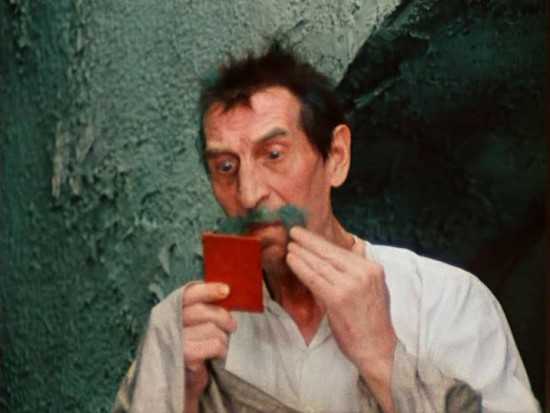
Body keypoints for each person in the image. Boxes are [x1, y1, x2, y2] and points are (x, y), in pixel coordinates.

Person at [112, 43, 540, 413]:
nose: (249, 193)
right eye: (225, 167)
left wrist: (382, 357)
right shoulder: (188, 327)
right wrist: (178, 392)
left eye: (274, 154)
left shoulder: (445, 302)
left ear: (336, 156)